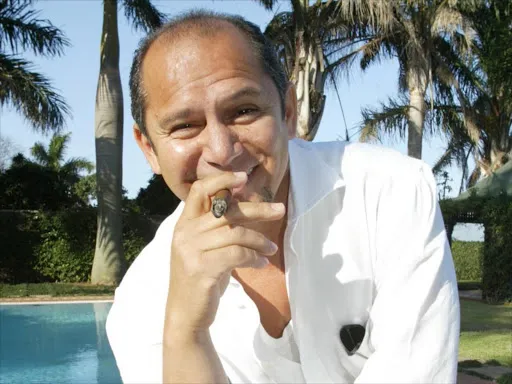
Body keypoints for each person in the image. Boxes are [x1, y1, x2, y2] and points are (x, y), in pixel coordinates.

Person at [106, 9, 460, 384]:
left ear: (288, 112)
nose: (221, 151)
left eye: (244, 111)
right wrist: (186, 335)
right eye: (184, 126)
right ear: (148, 149)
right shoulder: (141, 300)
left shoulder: (389, 194)